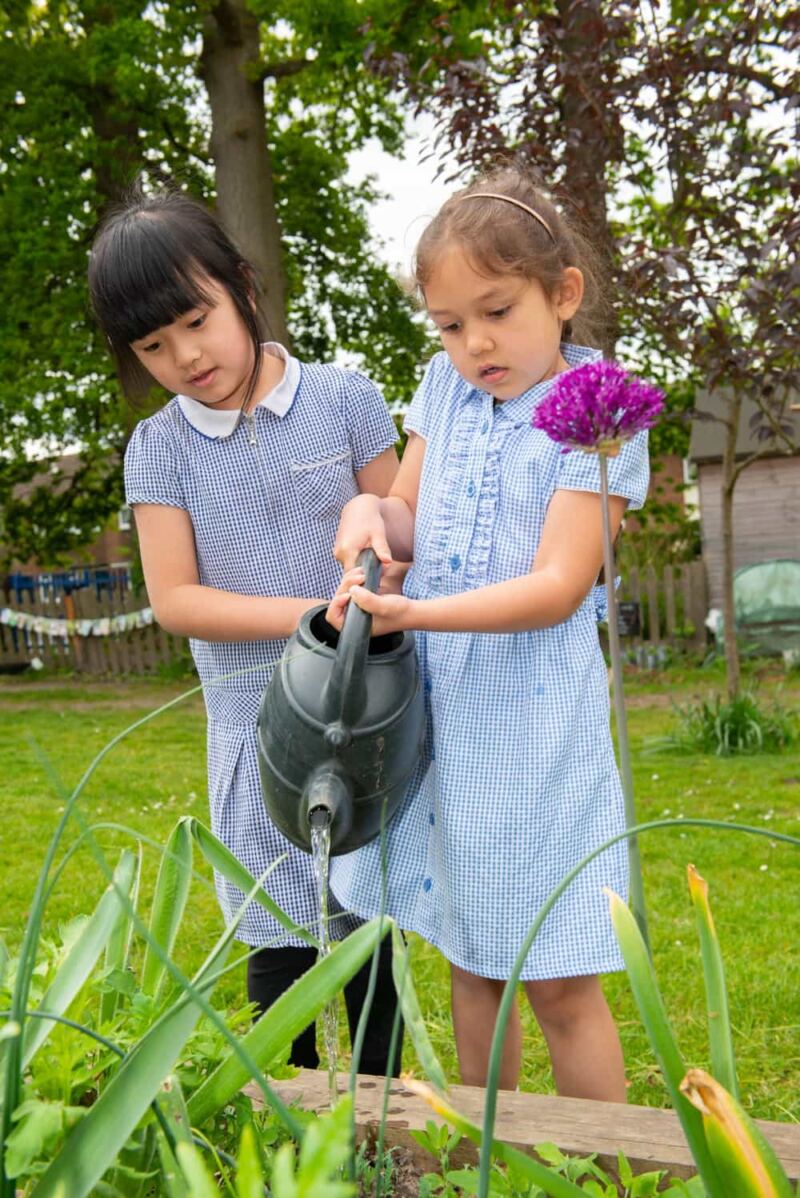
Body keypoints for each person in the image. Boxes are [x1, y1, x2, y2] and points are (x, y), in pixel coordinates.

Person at [327, 167, 650, 1101]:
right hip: (444, 718)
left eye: (498, 311)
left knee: (556, 977)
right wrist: (367, 519)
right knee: (473, 956)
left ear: (564, 293)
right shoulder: (445, 389)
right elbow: (406, 514)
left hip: (536, 727)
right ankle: (489, 1155)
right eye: (450, 323)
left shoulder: (604, 411)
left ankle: (606, 1169)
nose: (475, 342)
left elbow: (557, 586)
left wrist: (418, 611)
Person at [88, 183, 403, 1076]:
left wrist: (368, 595)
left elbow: (401, 521)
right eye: (153, 345)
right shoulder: (158, 449)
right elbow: (178, 599)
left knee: (374, 940)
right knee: (277, 949)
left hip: (367, 711)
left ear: (243, 288)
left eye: (196, 320)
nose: (185, 356)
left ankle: (396, 1140)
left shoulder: (344, 399)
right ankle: (288, 1129)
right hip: (251, 739)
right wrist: (312, 618)